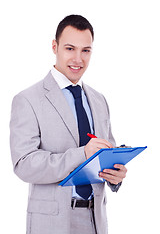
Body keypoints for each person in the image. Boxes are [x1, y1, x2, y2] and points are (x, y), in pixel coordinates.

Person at [10, 14, 127, 234]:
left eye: (86, 50)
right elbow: (23, 164)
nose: (78, 59)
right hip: (52, 223)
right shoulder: (28, 99)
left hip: (96, 220)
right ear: (55, 47)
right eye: (70, 49)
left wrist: (115, 175)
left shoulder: (99, 100)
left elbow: (105, 154)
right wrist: (81, 154)